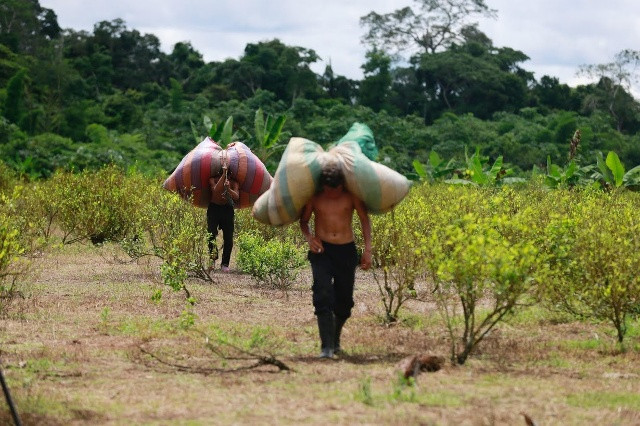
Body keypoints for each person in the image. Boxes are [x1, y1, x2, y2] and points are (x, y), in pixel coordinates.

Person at [299, 162, 372, 358]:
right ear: (324, 186)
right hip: (322, 251)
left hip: (346, 251)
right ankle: (326, 347)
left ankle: (335, 339)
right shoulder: (314, 197)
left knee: (344, 302)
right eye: (329, 189)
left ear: (342, 185)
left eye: (336, 189)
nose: (332, 193)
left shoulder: (351, 196)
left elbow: (365, 219)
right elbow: (304, 221)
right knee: (322, 294)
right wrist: (309, 238)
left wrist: (367, 249)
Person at [207, 166, 239, 273]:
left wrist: (228, 188)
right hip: (214, 209)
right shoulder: (213, 180)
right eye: (224, 173)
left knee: (228, 238)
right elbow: (215, 190)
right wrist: (223, 175)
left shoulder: (234, 183)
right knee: (211, 234)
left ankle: (225, 264)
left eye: (228, 174)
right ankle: (212, 259)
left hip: (227, 210)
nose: (226, 176)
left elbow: (236, 197)